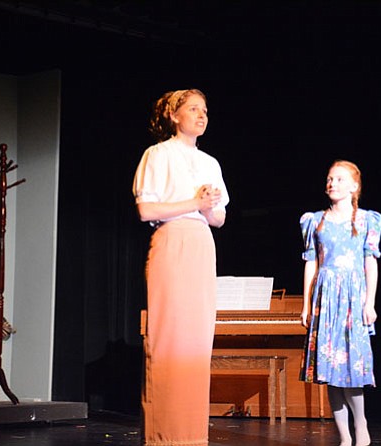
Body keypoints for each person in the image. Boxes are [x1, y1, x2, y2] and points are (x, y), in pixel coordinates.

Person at [132, 88, 229, 446]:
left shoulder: (211, 163)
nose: (202, 115)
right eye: (193, 109)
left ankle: (192, 435)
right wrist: (194, 201)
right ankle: (164, 436)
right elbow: (146, 211)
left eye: (205, 110)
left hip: (202, 244)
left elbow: (218, 218)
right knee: (169, 339)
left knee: (196, 343)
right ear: (174, 115)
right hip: (172, 243)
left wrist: (205, 207)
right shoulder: (157, 155)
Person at [299, 160, 381, 446]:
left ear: (354, 186)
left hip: (352, 298)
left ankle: (361, 424)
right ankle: (344, 437)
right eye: (330, 178)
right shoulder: (315, 220)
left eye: (339, 179)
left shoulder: (366, 220)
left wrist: (369, 302)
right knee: (330, 370)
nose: (332, 183)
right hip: (326, 299)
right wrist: (307, 305)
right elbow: (311, 264)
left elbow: (370, 263)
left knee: (352, 368)